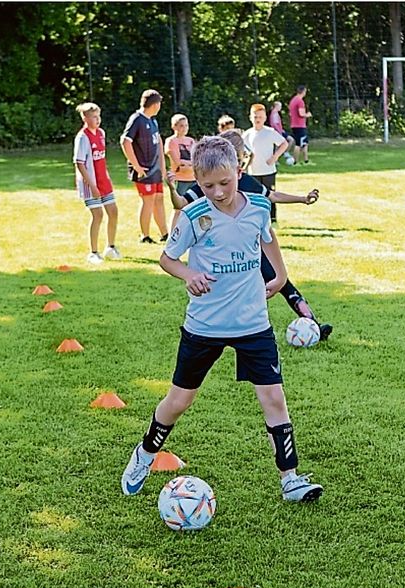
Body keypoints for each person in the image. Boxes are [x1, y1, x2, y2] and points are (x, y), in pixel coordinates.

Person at [120, 136, 323, 503]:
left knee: (274, 400)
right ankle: (145, 455)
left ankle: (291, 479)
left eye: (225, 183)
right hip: (205, 327)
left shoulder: (259, 206)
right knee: (179, 401)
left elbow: (268, 238)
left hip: (253, 324)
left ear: (238, 172)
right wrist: (188, 275)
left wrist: (279, 275)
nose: (217, 191)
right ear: (197, 180)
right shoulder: (195, 216)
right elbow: (168, 259)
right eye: (207, 185)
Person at [167, 130, 333, 340]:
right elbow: (181, 205)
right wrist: (172, 190)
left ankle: (313, 325)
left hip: (253, 251)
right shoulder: (209, 182)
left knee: (282, 282)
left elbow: (272, 199)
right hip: (223, 260)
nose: (218, 191)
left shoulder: (245, 182)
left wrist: (301, 198)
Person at [73, 102, 120, 265]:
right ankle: (93, 252)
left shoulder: (101, 133)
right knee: (98, 215)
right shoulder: (82, 137)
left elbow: (101, 158)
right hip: (90, 183)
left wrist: (106, 178)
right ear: (85, 118)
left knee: (113, 211)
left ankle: (111, 247)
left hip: (103, 180)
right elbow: (79, 163)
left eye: (98, 116)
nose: (97, 119)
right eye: (93, 116)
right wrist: (92, 185)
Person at [121, 89, 168, 244]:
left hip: (155, 169)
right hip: (144, 171)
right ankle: (145, 236)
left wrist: (162, 166)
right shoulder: (137, 119)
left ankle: (164, 233)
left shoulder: (153, 120)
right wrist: (137, 166)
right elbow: (125, 141)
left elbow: (159, 141)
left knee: (159, 199)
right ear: (154, 104)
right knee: (148, 200)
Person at [243, 103, 289, 224]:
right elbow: (243, 151)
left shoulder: (270, 132)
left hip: (268, 170)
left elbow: (284, 144)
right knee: (254, 196)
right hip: (253, 171)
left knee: (270, 194)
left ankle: (272, 219)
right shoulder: (247, 134)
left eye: (260, 117)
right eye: (255, 117)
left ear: (265, 118)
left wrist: (275, 157)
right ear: (250, 117)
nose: (258, 119)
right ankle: (256, 218)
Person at [165, 113, 196, 223]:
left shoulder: (191, 141)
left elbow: (195, 159)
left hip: (193, 178)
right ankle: (172, 232)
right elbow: (177, 162)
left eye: (186, 125)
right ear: (174, 127)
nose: (184, 128)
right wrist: (186, 164)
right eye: (181, 126)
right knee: (178, 208)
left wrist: (188, 164)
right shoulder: (171, 141)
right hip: (180, 178)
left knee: (194, 206)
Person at [288, 85, 312, 164]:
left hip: (294, 125)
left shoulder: (293, 100)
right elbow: (301, 114)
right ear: (303, 91)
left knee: (304, 143)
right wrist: (307, 115)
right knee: (299, 144)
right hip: (299, 125)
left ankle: (306, 160)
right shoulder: (300, 101)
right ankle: (295, 161)